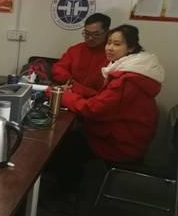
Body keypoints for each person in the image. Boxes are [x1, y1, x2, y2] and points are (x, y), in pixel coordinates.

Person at [50, 25, 165, 196]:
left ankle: (66, 195)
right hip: (124, 135)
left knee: (64, 146)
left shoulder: (127, 79)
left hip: (122, 143)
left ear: (131, 48)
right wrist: (74, 90)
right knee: (68, 137)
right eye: (109, 43)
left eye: (117, 44)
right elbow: (103, 99)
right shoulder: (131, 70)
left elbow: (93, 108)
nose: (110, 48)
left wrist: (60, 95)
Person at [51, 13, 111, 97]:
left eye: (96, 34)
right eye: (87, 33)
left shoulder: (112, 54)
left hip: (96, 98)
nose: (90, 38)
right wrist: (71, 82)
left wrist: (78, 88)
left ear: (107, 32)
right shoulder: (75, 50)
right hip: (73, 94)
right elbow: (58, 69)